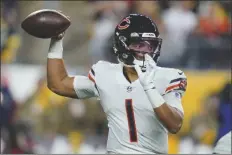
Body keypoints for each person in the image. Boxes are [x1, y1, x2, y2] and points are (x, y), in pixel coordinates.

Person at [46, 14, 187, 154]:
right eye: (140, 45)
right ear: (123, 45)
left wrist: (149, 87)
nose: (147, 51)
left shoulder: (169, 77)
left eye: (151, 45)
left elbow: (175, 125)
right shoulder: (104, 73)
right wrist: (56, 41)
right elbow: (58, 84)